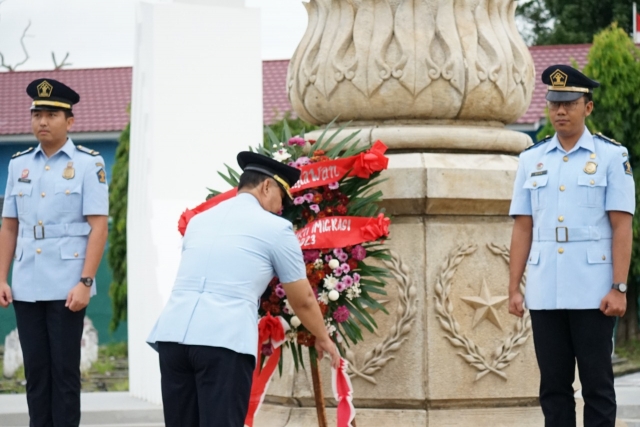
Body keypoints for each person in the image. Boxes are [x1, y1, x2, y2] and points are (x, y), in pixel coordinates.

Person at [147, 151, 340, 427]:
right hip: (222, 341)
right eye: (281, 199)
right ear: (266, 186)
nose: (279, 208)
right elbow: (304, 299)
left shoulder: (199, 221)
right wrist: (323, 337)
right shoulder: (276, 229)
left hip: (172, 338)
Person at [508, 64, 635, 426]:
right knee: (553, 387)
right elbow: (523, 226)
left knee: (597, 384)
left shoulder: (612, 156)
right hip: (546, 287)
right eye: (554, 103)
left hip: (593, 290)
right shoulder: (532, 159)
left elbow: (621, 225)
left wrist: (619, 287)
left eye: (569, 103)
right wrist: (514, 287)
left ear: (588, 107)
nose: (560, 111)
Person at [0, 78, 109, 426]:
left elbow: (98, 227)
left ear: (70, 121)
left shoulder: (89, 164)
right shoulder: (18, 165)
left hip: (67, 286)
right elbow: (9, 227)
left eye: (51, 114)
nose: (42, 122)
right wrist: (2, 277)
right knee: (35, 374)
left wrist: (86, 282)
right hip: (27, 284)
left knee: (64, 374)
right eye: (37, 115)